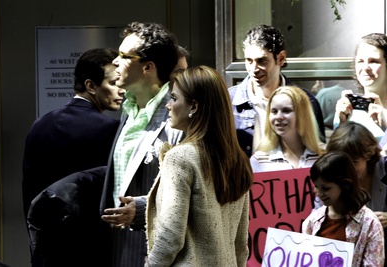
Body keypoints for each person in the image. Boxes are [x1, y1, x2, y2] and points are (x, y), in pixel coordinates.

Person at [22, 48, 123, 266]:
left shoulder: (39, 125)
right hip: (91, 250)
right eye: (114, 83)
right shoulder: (110, 129)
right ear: (90, 86)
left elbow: (29, 191)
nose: (122, 90)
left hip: (46, 247)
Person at [145, 66, 252, 266]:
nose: (168, 105)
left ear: (194, 106)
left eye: (174, 98)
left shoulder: (180, 157)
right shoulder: (237, 159)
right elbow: (240, 244)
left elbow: (170, 237)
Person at [99, 22, 185, 267]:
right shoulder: (129, 110)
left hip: (157, 250)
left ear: (148, 67)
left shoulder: (178, 114)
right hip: (120, 247)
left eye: (124, 56)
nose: (115, 61)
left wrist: (140, 209)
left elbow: (193, 191)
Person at [229, 24, 325, 156]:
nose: (254, 69)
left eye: (261, 61)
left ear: (281, 58)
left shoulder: (306, 101)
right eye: (249, 61)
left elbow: (317, 158)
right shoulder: (229, 100)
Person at [302, 151, 385, 267]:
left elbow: (374, 264)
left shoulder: (370, 224)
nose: (319, 193)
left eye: (326, 188)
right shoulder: (312, 222)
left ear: (345, 184)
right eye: (316, 186)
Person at [326, 121, 387, 265]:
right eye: (340, 162)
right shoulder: (328, 178)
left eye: (353, 162)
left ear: (369, 154)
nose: (346, 170)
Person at [250, 86, 324, 172]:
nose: (279, 117)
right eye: (274, 111)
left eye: (286, 110)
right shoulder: (259, 161)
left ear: (303, 115)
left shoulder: (323, 157)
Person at [334, 33, 387, 138]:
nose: (366, 67)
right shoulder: (347, 110)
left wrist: (385, 124)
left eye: (374, 61)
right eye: (360, 61)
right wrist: (342, 125)